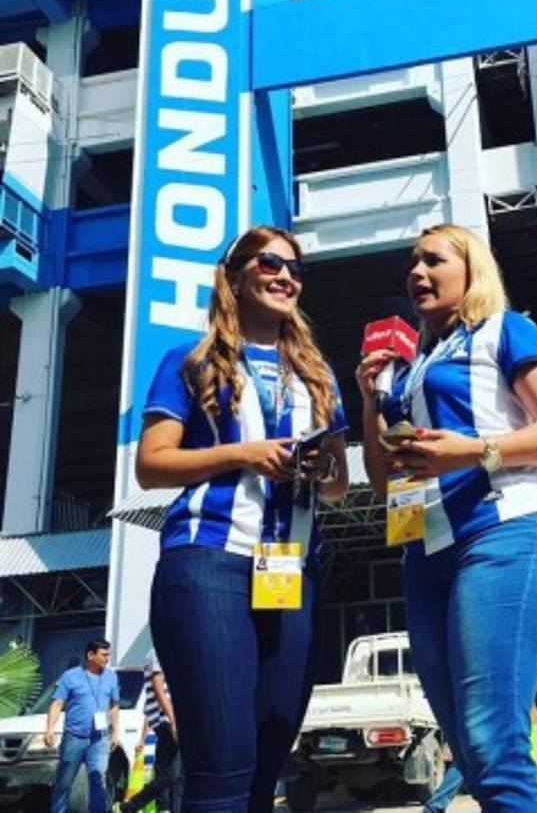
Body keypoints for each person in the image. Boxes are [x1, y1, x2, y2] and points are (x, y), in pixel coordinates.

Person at [357, 224, 537, 811]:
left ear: (471, 269)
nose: (417, 272)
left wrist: (476, 451)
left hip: (506, 532)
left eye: (434, 260)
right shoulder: (409, 369)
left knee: (491, 738)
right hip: (426, 553)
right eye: (412, 262)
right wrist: (369, 398)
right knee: (465, 743)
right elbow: (386, 483)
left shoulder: (505, 329)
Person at [136, 225, 349, 812]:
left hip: (291, 570)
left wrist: (317, 471)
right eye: (270, 263)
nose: (286, 277)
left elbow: (338, 486)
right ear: (233, 278)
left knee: (268, 761)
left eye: (296, 269)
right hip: (209, 560)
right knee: (223, 768)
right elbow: (151, 465)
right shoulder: (192, 361)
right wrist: (243, 454)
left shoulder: (318, 375)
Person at [45, 639, 120, 813]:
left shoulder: (111, 676)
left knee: (98, 780)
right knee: (64, 782)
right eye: (104, 655)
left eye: (108, 654)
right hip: (74, 738)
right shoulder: (70, 676)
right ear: (91, 655)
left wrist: (116, 732)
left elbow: (114, 705)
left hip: (99, 739)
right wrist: (49, 729)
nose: (107, 658)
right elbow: (57, 703)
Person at [118, 647, 182, 813]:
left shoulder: (168, 652)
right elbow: (158, 688)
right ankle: (131, 806)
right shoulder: (158, 652)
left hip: (169, 719)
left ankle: (166, 808)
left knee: (174, 774)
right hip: (166, 720)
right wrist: (173, 720)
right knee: (172, 775)